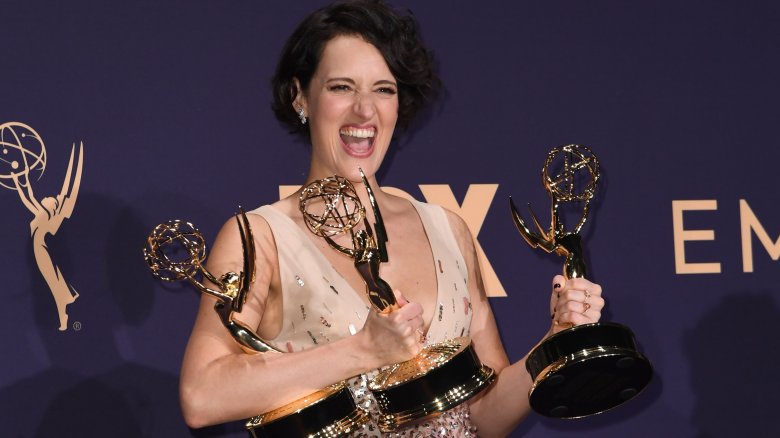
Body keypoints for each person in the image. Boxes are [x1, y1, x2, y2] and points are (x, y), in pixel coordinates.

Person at [179, 1, 605, 436]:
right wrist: (362, 350)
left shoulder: (447, 230)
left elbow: (481, 417)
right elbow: (201, 397)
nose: (365, 111)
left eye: (383, 89)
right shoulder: (259, 237)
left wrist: (553, 345)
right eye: (342, 87)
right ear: (300, 96)